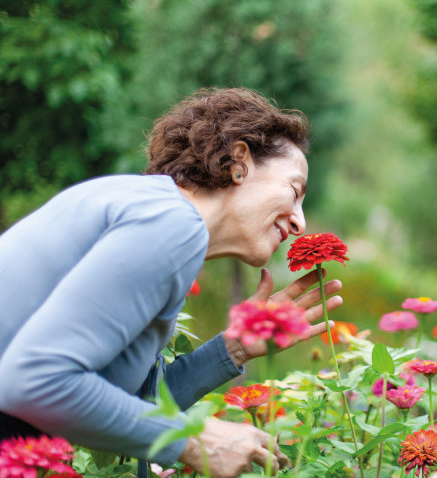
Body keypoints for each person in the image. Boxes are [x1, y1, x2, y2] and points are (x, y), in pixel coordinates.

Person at [0, 88, 343, 477]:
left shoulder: (161, 218)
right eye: (295, 192)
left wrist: (233, 349)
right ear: (240, 161)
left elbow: (120, 406)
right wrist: (196, 441)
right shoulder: (171, 224)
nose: (300, 223)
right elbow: (34, 380)